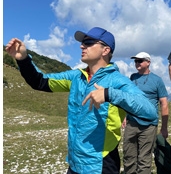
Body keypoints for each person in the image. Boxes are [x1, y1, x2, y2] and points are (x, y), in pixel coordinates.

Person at [6, 28, 157, 174]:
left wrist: (109, 94)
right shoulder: (76, 76)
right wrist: (23, 60)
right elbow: (39, 81)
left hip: (101, 165)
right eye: (83, 42)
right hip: (74, 164)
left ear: (105, 50)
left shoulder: (118, 81)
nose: (81, 46)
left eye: (89, 42)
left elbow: (150, 111)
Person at [122, 52, 169, 174]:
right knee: (128, 157)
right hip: (131, 123)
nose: (137, 63)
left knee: (144, 159)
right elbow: (128, 98)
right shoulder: (132, 77)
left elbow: (164, 103)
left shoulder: (157, 80)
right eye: (135, 61)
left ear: (148, 62)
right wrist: (125, 117)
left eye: (140, 60)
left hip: (148, 125)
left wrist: (164, 128)